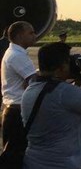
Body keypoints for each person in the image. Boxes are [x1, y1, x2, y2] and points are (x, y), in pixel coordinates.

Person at [21, 42, 81, 169]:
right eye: (68, 63)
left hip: (34, 161)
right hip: (61, 164)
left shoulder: (31, 89)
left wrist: (77, 82)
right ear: (60, 69)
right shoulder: (64, 92)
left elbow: (63, 106)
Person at [1, 22, 37, 169]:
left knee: (15, 154)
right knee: (15, 155)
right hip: (17, 110)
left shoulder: (16, 53)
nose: (35, 35)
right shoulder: (17, 56)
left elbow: (31, 80)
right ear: (19, 35)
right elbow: (34, 81)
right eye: (31, 33)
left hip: (15, 109)